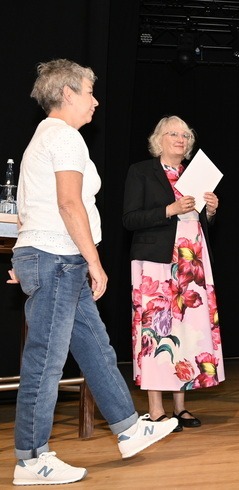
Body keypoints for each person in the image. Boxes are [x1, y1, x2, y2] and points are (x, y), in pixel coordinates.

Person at [11, 59, 178, 486]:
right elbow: (69, 204)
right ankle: (31, 459)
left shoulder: (45, 137)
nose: (95, 101)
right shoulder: (65, 137)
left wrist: (24, 255)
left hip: (52, 256)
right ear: (67, 93)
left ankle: (128, 427)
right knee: (45, 362)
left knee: (97, 350)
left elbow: (32, 206)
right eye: (89, 91)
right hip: (60, 259)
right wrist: (94, 260)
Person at [123, 115, 224, 432]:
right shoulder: (141, 171)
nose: (180, 139)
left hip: (191, 262)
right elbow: (130, 219)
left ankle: (180, 407)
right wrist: (170, 209)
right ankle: (155, 410)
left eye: (185, 134)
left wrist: (209, 211)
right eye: (173, 133)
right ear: (159, 139)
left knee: (187, 333)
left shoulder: (193, 175)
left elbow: (200, 224)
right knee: (156, 333)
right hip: (155, 264)